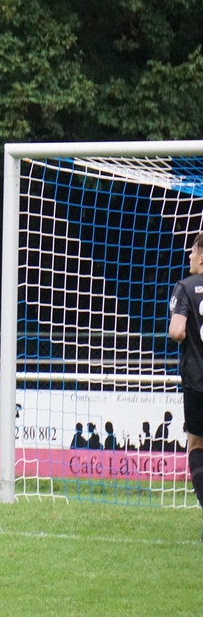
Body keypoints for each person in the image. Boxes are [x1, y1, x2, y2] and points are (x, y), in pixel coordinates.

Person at [166, 231, 203, 539]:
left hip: (197, 380)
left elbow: (177, 331)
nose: (189, 256)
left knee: (197, 444)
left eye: (192, 251)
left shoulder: (186, 287)